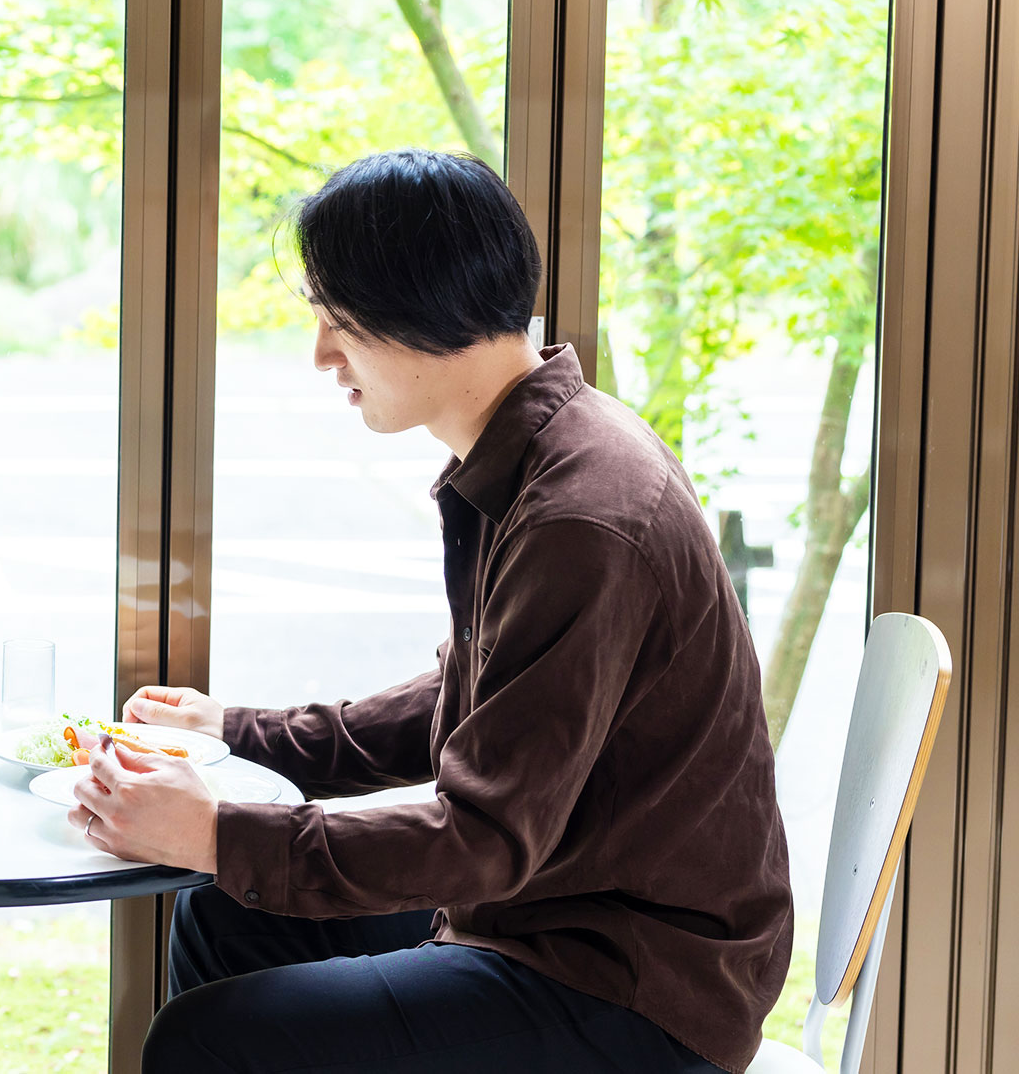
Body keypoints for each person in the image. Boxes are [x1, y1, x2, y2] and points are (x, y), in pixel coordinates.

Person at [68, 149, 793, 1073]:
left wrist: (216, 830)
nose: (322, 353)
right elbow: (466, 703)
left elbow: (485, 838)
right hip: (545, 910)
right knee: (226, 909)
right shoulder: (541, 455)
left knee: (207, 1036)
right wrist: (235, 732)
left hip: (636, 981)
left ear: (425, 306)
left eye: (340, 321)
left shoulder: (581, 514)